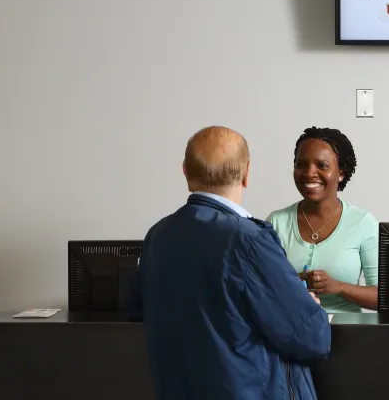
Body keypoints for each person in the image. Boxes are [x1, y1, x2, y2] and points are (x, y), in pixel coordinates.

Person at [131, 126, 330, 400]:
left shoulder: (157, 235)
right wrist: (311, 308)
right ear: (247, 174)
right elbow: (311, 339)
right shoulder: (250, 240)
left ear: (186, 172)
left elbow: (140, 312)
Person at [267, 127, 379, 313]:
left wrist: (339, 287)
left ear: (341, 172)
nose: (310, 173)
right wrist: (292, 282)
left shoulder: (363, 223)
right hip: (290, 335)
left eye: (322, 165)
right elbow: (259, 288)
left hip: (347, 335)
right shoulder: (276, 222)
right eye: (302, 165)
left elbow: (382, 297)